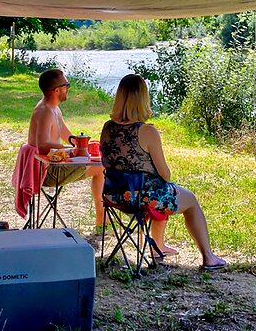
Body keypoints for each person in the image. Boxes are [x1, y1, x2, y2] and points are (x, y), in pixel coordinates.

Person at [99, 74, 227, 269]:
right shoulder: (147, 131)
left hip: (113, 196)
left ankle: (158, 245)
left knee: (161, 190)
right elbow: (165, 174)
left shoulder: (107, 128)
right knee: (189, 200)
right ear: (143, 99)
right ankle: (209, 257)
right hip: (141, 197)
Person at [28, 68, 104, 232]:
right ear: (57, 90)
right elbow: (42, 145)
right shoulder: (45, 111)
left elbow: (65, 134)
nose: (68, 88)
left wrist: (80, 144)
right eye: (66, 85)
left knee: (97, 160)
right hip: (48, 172)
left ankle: (101, 220)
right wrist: (70, 149)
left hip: (54, 164)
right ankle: (101, 221)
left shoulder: (54, 108)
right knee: (101, 168)